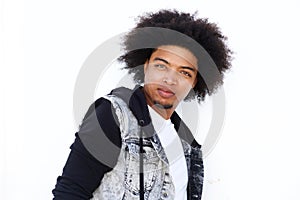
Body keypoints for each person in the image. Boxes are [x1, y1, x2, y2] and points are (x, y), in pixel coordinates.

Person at [52, 9, 232, 200]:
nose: (170, 79)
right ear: (145, 65)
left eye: (184, 72)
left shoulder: (187, 143)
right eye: (161, 65)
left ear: (194, 82)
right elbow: (70, 192)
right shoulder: (112, 115)